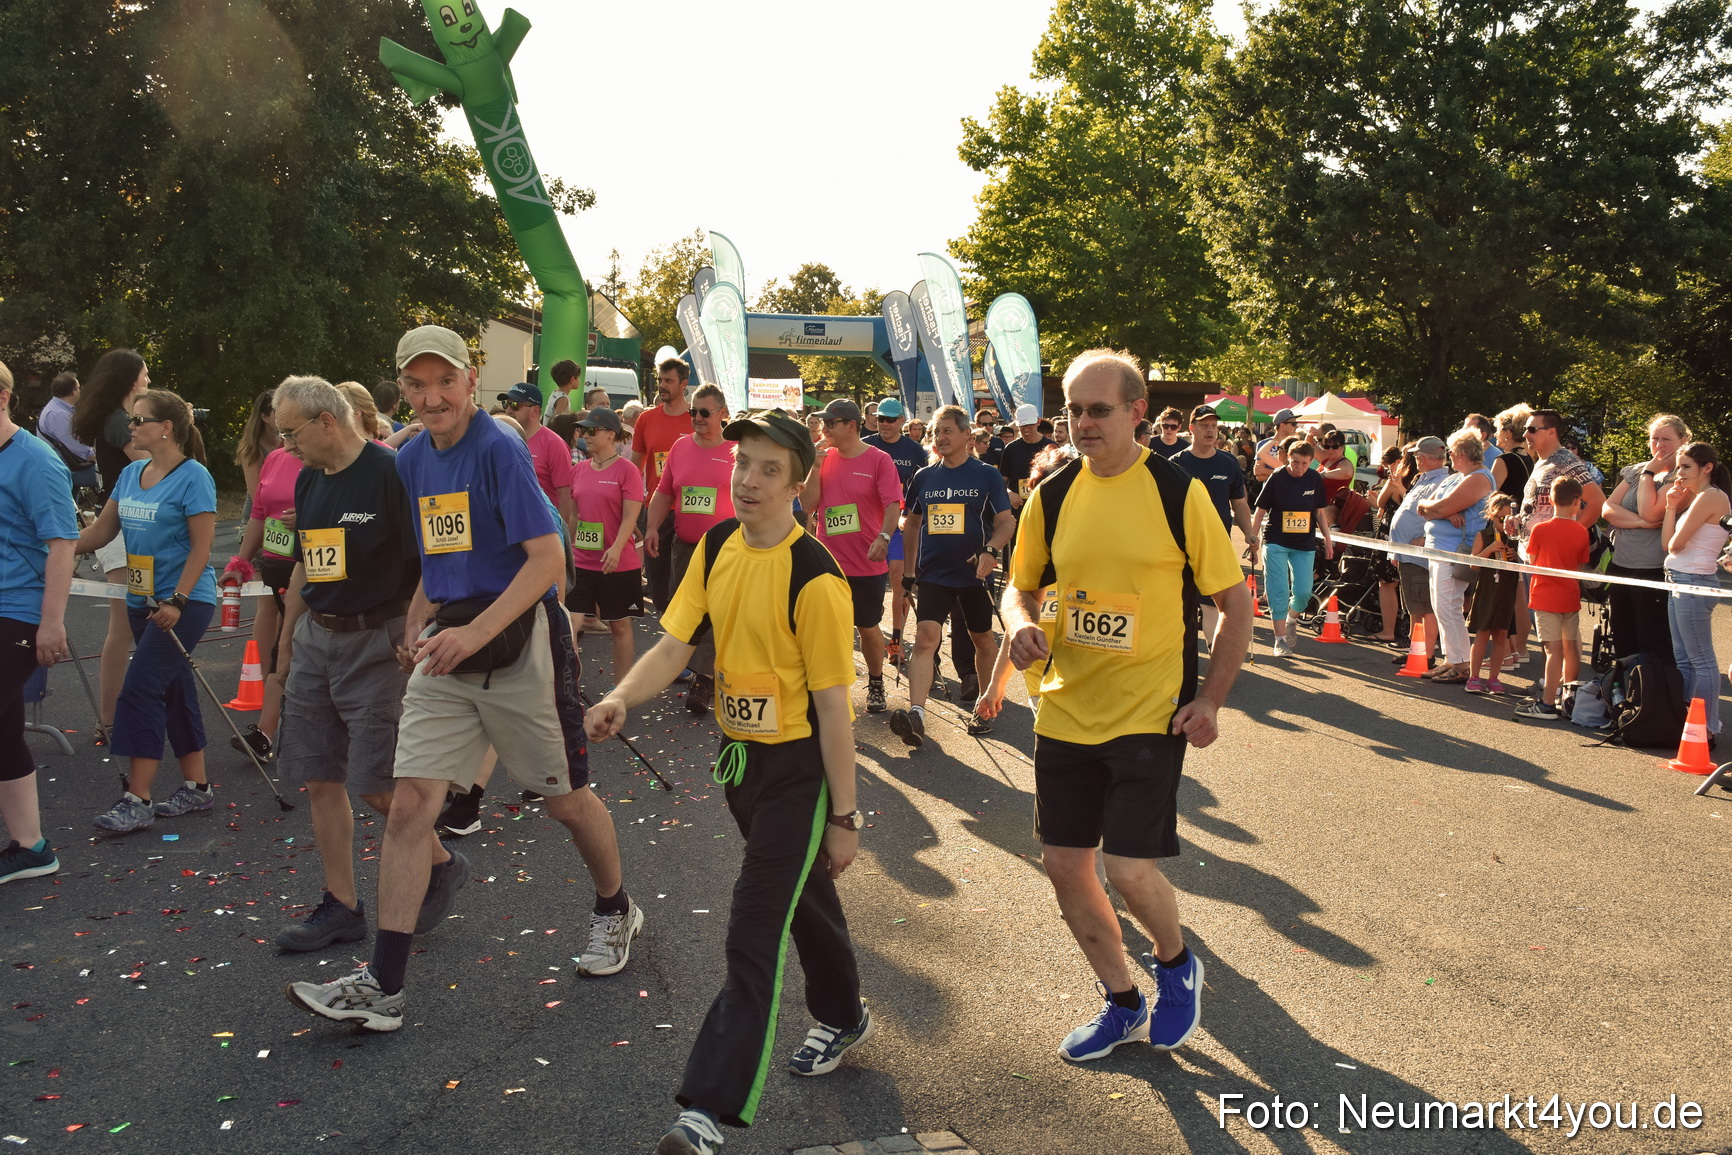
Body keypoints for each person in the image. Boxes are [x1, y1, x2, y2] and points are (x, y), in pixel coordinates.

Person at [287, 326, 637, 1035]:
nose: (431, 396)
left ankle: (615, 908)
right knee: (413, 799)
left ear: (469, 380)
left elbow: (548, 564)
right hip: (448, 650)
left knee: (565, 801)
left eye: (442, 381)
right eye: (416, 385)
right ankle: (383, 984)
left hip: (521, 646)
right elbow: (434, 555)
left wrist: (471, 630)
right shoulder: (411, 457)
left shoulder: (500, 448)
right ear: (402, 392)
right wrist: (419, 620)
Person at [584, 409, 867, 1155]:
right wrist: (620, 697)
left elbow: (836, 707)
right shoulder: (713, 545)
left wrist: (847, 815)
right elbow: (675, 643)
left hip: (801, 771)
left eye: (770, 468)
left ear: (797, 483)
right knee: (801, 896)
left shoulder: (817, 577)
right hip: (743, 762)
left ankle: (707, 1111)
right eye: (744, 463)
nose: (748, 478)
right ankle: (844, 1013)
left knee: (752, 928)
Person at [1001, 349, 1251, 1063]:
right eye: (1072, 410)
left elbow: (1234, 603)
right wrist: (1019, 619)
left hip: (1150, 712)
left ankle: (1175, 965)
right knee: (1063, 861)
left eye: (1097, 409)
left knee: (1129, 868)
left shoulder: (1178, 493)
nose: (1082, 423)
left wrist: (1211, 698)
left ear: (1138, 412)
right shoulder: (1051, 494)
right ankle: (1121, 1001)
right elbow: (1019, 584)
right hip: (1065, 710)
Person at [262, 377, 426, 950]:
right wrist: (286, 641)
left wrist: (414, 632)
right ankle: (342, 905)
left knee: (378, 786)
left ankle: (436, 860)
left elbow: (425, 563)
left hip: (375, 641)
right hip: (316, 639)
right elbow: (310, 563)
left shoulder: (390, 473)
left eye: (290, 432)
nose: (284, 447)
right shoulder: (310, 481)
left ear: (327, 421)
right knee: (319, 776)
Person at [74, 389, 218, 832]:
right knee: (174, 688)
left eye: (139, 420)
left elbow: (202, 547)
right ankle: (197, 788)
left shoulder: (193, 476)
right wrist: (53, 552)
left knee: (139, 689)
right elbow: (100, 532)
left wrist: (178, 599)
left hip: (183, 603)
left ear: (166, 428)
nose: (131, 427)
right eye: (132, 420)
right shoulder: (133, 472)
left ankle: (137, 798)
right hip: (142, 600)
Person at [889, 405, 1015, 746]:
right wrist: (910, 573)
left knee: (982, 640)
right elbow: (912, 525)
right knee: (927, 637)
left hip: (975, 574)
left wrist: (990, 550)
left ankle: (985, 706)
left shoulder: (985, 474)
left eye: (947, 431)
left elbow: (1006, 522)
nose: (940, 438)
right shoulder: (925, 477)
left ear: (966, 436)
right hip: (934, 574)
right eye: (936, 432)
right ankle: (916, 714)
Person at [0, 359, 77, 884]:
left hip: (19, 611)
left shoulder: (36, 461)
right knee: (5, 729)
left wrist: (52, 623)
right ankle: (31, 847)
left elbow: (62, 544)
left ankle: (31, 846)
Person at [70, 349, 153, 735]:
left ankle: (116, 713)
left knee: (131, 622)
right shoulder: (122, 423)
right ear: (130, 380)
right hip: (121, 528)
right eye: (145, 376)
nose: (149, 381)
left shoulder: (116, 419)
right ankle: (108, 717)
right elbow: (154, 463)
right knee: (122, 625)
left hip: (123, 525)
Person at [803, 399, 903, 714]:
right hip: (828, 560)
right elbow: (807, 506)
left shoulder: (878, 460)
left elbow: (892, 504)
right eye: (823, 423)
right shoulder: (820, 458)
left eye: (831, 423)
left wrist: (884, 537)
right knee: (830, 629)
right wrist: (815, 467)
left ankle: (876, 681)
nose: (825, 428)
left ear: (851, 426)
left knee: (868, 626)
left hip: (866, 561)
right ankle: (834, 688)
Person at [646, 385, 735, 714]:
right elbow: (664, 493)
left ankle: (705, 678)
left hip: (728, 548)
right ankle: (697, 670)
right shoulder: (681, 447)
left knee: (717, 613)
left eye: (704, 412)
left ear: (722, 413)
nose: (696, 418)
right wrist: (653, 527)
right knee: (687, 611)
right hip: (686, 546)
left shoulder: (738, 449)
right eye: (692, 412)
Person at [232, 414, 302, 759]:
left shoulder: (326, 461)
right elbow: (259, 512)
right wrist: (240, 563)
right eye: (282, 431)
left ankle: (272, 732)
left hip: (313, 568)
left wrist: (307, 517)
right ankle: (265, 735)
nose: (284, 436)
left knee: (291, 648)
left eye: (292, 431)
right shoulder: (274, 457)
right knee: (283, 648)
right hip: (275, 565)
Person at [569, 406, 645, 683]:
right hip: (582, 562)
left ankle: (621, 689)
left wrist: (615, 547)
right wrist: (567, 548)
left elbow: (631, 515)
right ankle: (570, 687)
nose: (585, 435)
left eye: (592, 430)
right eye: (583, 430)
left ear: (611, 434)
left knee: (620, 627)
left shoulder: (627, 471)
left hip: (617, 563)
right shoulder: (578, 470)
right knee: (570, 626)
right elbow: (574, 515)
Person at [1660, 442, 1730, 742]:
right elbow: (1666, 545)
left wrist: (1679, 509)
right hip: (1679, 578)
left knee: (1700, 659)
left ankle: (1707, 727)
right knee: (1684, 657)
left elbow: (1675, 544)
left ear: (1707, 468)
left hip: (1693, 581)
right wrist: (1671, 506)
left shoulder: (1711, 496)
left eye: (1686, 466)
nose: (1679, 473)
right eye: (1678, 467)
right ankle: (1689, 723)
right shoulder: (1699, 498)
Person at [1603, 415, 1685, 664]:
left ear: (1683, 440)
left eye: (1666, 439)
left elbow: (1652, 510)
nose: (1659, 445)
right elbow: (1607, 509)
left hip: (1653, 569)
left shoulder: (1681, 477)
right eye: (1655, 438)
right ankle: (1626, 692)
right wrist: (1641, 523)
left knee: (1652, 639)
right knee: (1623, 637)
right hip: (1621, 565)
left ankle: (1654, 695)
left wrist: (1650, 472)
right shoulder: (1635, 471)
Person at [1417, 431, 1494, 684]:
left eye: (1450, 452)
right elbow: (1424, 504)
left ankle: (1460, 664)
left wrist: (1441, 510)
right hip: (1439, 547)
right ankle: (1452, 659)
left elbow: (1439, 506)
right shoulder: (1457, 478)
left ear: (1461, 454)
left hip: (1454, 550)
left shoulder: (1479, 478)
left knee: (1449, 606)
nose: (1448, 456)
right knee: (1442, 606)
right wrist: (1443, 511)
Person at [1515, 477, 1591, 720]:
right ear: (1577, 501)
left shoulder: (1540, 529)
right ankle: (1569, 698)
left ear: (1551, 499)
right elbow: (1579, 565)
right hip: (1569, 596)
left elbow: (1533, 560)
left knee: (1552, 651)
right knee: (1571, 649)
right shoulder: (1581, 531)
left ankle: (1548, 703)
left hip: (1545, 597)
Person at [1249, 438, 1333, 657]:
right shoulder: (1277, 477)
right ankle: (1280, 641)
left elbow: (1320, 513)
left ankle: (1291, 620)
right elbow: (1260, 512)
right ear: (1288, 458)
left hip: (1303, 543)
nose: (1299, 468)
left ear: (1311, 462)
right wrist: (1253, 539)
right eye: (1296, 462)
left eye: (1305, 464)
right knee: (1278, 591)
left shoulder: (1314, 479)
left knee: (1304, 592)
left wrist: (1328, 541)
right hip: (1276, 540)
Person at [863, 398, 927, 666]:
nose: (884, 424)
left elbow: (920, 489)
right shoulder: (865, 445)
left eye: (890, 419)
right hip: (867, 523)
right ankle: (871, 631)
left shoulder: (914, 451)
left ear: (902, 421)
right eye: (880, 419)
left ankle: (896, 641)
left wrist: (913, 519)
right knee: (867, 584)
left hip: (900, 524)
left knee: (900, 578)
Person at [633, 360, 694, 612]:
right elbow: (634, 468)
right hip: (656, 509)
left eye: (668, 380)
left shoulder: (697, 418)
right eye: (660, 380)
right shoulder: (646, 419)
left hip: (689, 509)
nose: (662, 385)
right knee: (658, 582)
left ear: (683, 383)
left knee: (685, 581)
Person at [1385, 437, 1449, 670]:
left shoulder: (1441, 481)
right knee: (1414, 606)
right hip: (1408, 553)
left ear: (1426, 457)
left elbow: (1442, 514)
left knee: (1424, 607)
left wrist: (1425, 538)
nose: (1416, 459)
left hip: (1418, 555)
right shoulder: (1425, 479)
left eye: (1419, 455)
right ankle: (1417, 649)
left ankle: (1427, 653)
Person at [498, 382, 575, 531]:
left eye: (515, 404)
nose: (508, 410)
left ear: (535, 410)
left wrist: (560, 535)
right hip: (508, 527)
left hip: (541, 529)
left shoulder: (553, 444)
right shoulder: (503, 440)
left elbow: (565, 497)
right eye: (505, 404)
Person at [1464, 492, 1519, 694]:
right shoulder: (1483, 535)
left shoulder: (1516, 538)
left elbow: (1524, 564)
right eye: (1500, 519)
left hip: (1506, 590)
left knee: (1501, 634)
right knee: (1482, 633)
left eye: (1508, 518)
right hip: (1488, 589)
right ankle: (1474, 677)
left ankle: (1494, 678)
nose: (1504, 523)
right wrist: (1488, 550)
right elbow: (1473, 564)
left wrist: (1515, 556)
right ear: (1491, 516)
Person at [36, 371, 97, 489]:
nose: (80, 391)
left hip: (68, 466)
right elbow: (76, 446)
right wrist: (98, 457)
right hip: (66, 469)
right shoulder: (58, 414)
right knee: (113, 478)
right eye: (79, 388)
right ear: (73, 392)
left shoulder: (56, 409)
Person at [1000, 403, 1055, 515]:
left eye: (1030, 424)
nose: (1026, 429)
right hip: (1018, 508)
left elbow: (1059, 481)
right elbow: (1001, 481)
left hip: (1043, 508)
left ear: (1038, 422)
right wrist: (1008, 493)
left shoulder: (1052, 447)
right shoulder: (1011, 448)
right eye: (1022, 425)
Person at [1253, 409, 1299, 483]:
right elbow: (1259, 475)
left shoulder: (1296, 443)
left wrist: (1265, 471)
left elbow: (1293, 473)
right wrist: (1283, 474)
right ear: (1282, 425)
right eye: (1293, 424)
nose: (1296, 426)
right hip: (1270, 489)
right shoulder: (1263, 444)